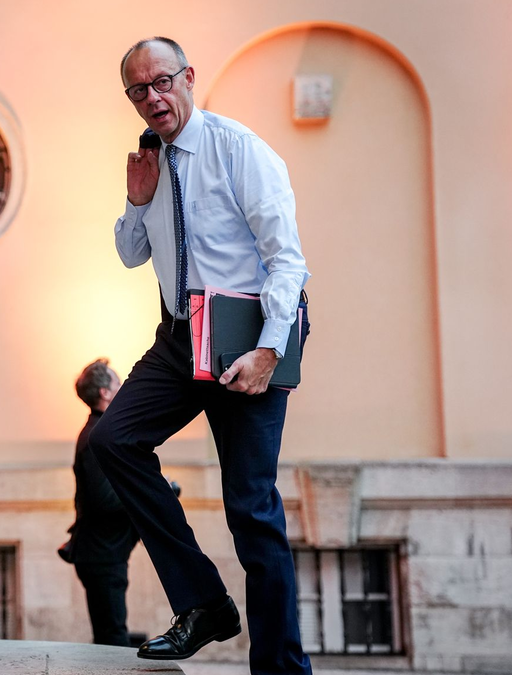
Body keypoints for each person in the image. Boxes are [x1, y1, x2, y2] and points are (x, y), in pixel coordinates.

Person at [87, 37, 312, 675]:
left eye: (162, 82)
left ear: (188, 77)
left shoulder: (240, 151)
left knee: (252, 510)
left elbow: (287, 262)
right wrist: (137, 198)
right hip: (182, 334)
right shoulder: (149, 162)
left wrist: (270, 352)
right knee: (114, 441)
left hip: (248, 334)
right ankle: (204, 605)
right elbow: (134, 255)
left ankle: (281, 670)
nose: (153, 98)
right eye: (138, 90)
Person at [66, 359, 139, 647]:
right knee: (112, 639)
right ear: (105, 393)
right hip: (101, 556)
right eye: (118, 383)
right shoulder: (96, 437)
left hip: (103, 553)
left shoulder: (101, 432)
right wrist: (146, 493)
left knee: (111, 635)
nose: (122, 388)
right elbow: (102, 499)